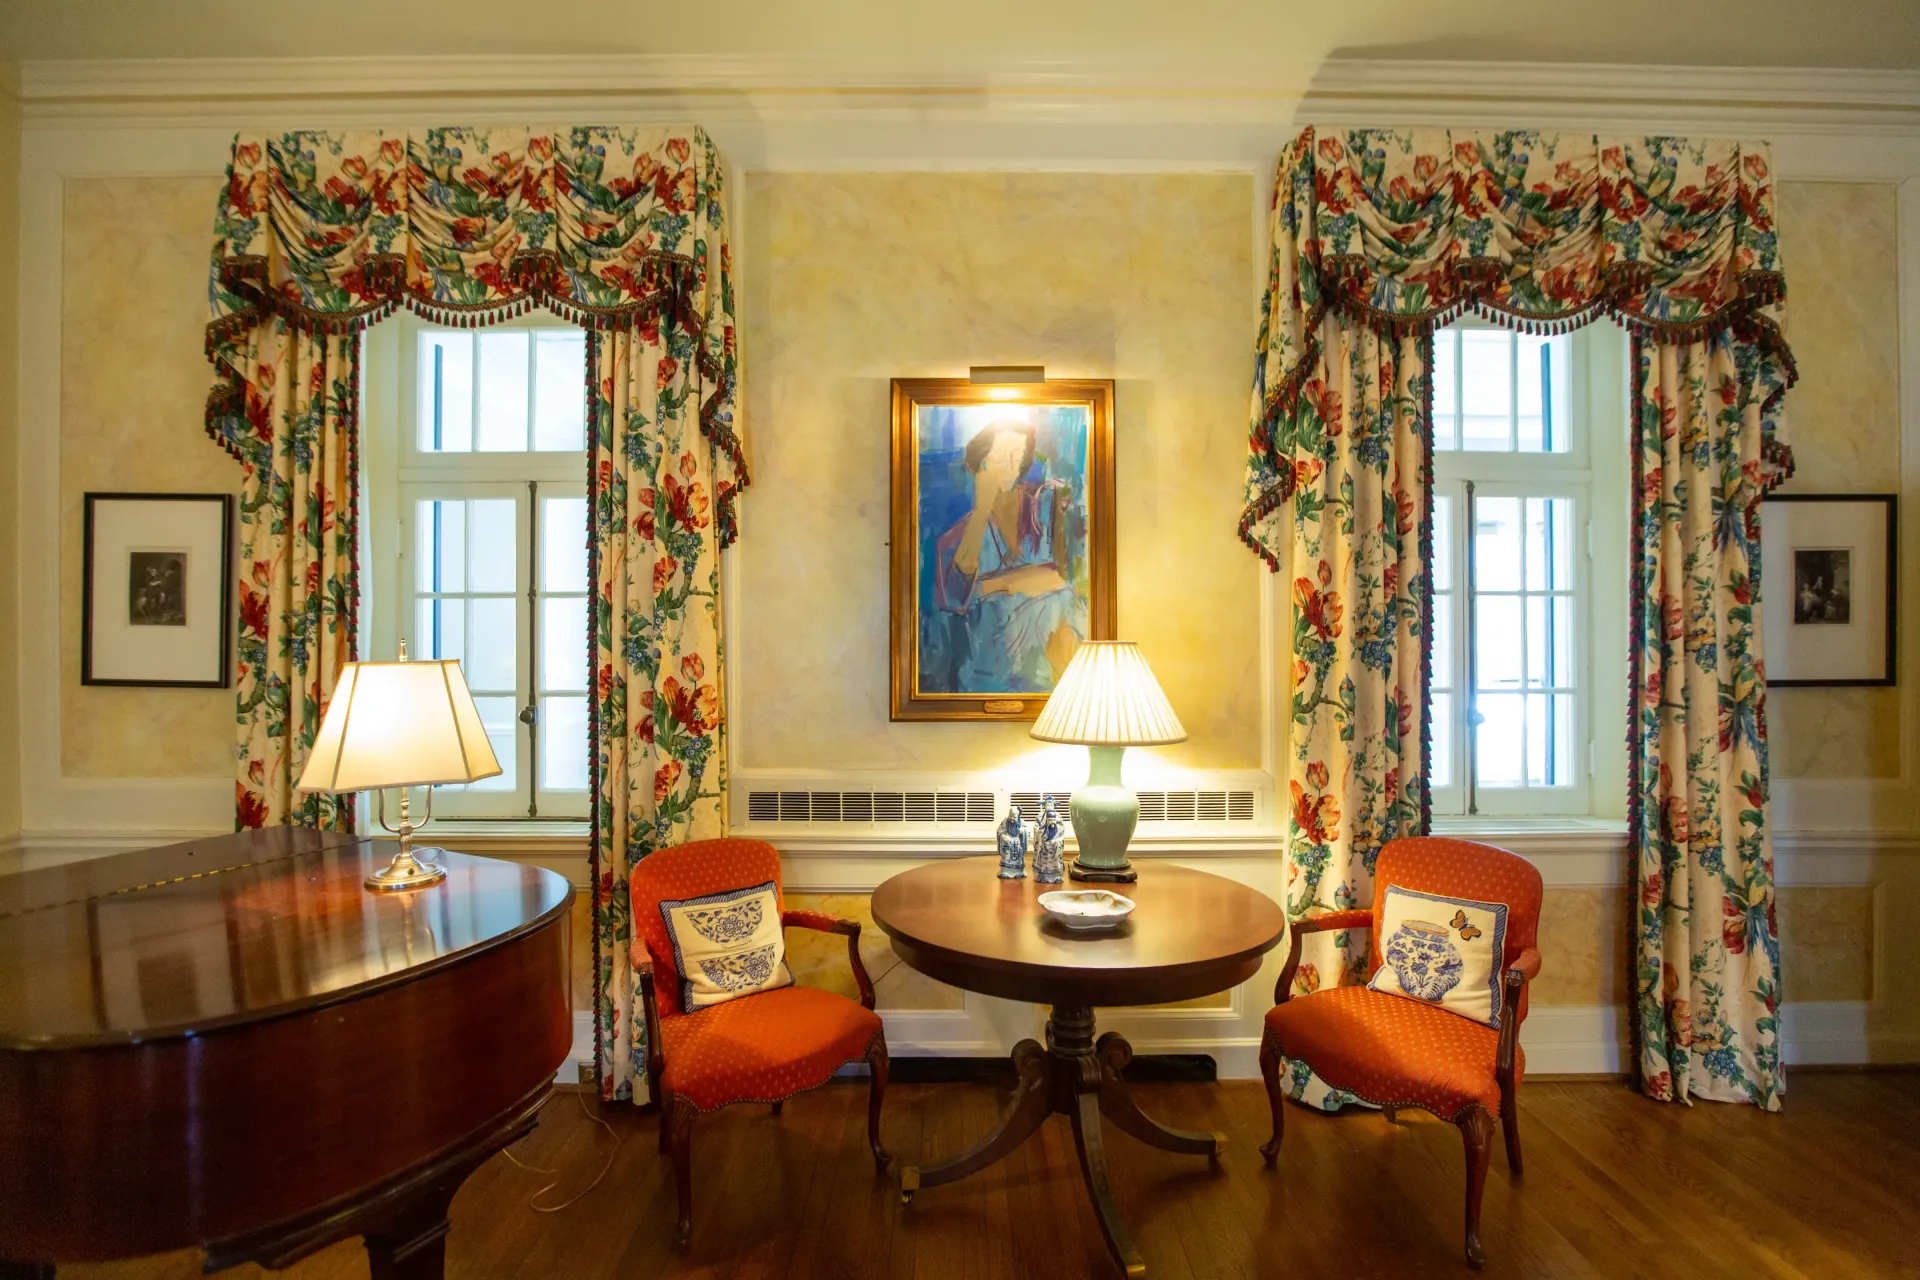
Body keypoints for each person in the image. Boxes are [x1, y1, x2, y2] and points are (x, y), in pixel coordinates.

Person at [931, 419, 1084, 692]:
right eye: (999, 456)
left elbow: (1059, 577)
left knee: (1064, 605)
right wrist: (980, 513)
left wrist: (988, 587)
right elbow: (955, 599)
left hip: (1049, 663)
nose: (1010, 465)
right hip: (989, 667)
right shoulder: (955, 539)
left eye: (1017, 455)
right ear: (979, 464)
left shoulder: (1046, 506)